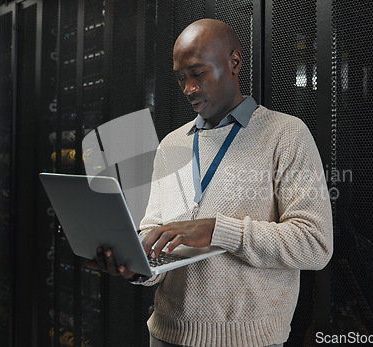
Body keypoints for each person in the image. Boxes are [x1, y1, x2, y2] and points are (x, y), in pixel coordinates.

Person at [86, 18, 333, 347]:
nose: (188, 88)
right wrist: (137, 265)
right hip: (165, 335)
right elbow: (154, 233)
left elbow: (315, 244)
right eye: (180, 78)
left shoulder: (285, 134)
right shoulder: (172, 144)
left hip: (249, 341)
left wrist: (217, 230)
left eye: (198, 73)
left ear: (234, 62)